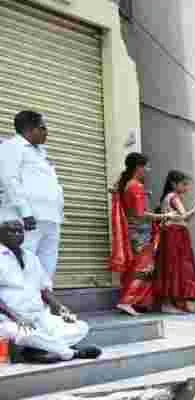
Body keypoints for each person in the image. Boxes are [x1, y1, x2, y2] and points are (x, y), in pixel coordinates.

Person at [0, 219, 97, 362]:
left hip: (39, 316)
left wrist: (62, 309)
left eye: (20, 231)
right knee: (25, 334)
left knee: (80, 326)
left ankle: (38, 350)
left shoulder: (31, 257)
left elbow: (44, 290)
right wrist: (17, 318)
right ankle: (70, 353)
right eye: (11, 231)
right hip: (10, 319)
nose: (17, 234)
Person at [0, 111, 64, 284]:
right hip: (26, 219)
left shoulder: (40, 152)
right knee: (23, 264)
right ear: (31, 129)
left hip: (50, 218)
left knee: (47, 267)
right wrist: (25, 212)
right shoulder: (11, 146)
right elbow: (9, 180)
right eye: (43, 128)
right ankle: (23, 306)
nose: (46, 132)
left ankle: (45, 306)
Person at [111, 153, 170, 315]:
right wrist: (164, 216)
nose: (148, 170)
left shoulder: (127, 185)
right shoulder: (136, 186)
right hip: (140, 233)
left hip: (133, 232)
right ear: (139, 167)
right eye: (147, 167)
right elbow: (140, 213)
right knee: (143, 268)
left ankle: (133, 301)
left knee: (134, 268)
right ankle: (127, 301)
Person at [155, 171, 195, 313]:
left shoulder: (168, 197)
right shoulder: (174, 197)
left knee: (171, 267)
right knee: (176, 268)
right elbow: (184, 216)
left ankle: (169, 303)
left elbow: (183, 218)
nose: (187, 188)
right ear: (174, 184)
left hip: (173, 235)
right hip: (175, 236)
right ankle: (169, 304)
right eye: (184, 184)